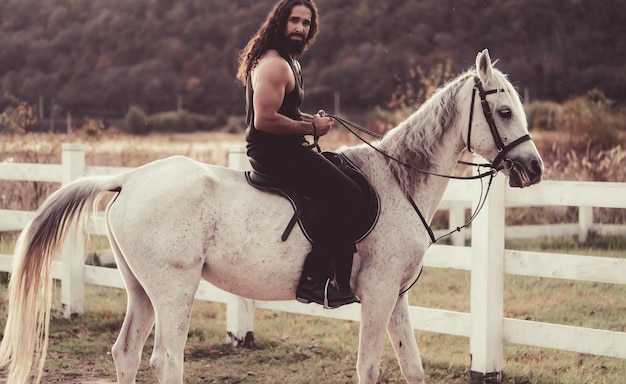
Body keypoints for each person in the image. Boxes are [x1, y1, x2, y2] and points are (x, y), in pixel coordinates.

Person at [236, 0, 361, 308]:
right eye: (294, 21)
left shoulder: (289, 62)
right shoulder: (275, 64)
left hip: (286, 147)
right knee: (348, 193)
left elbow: (286, 111)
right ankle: (314, 281)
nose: (300, 28)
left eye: (306, 23)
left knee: (342, 175)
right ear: (280, 22)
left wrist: (312, 121)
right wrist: (311, 130)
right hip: (273, 153)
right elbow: (264, 120)